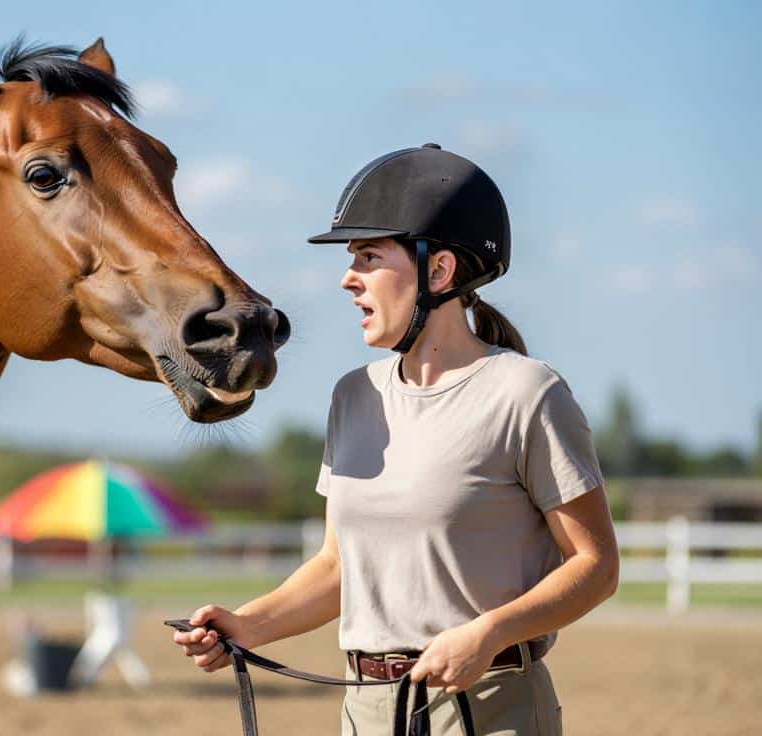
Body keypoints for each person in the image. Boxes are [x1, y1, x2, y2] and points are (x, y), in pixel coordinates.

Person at [171, 144, 619, 735]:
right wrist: (248, 624)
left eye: (369, 256)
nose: (347, 278)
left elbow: (594, 564)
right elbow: (339, 567)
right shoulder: (352, 397)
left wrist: (490, 632)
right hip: (368, 710)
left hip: (490, 709)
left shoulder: (527, 393)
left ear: (439, 271)